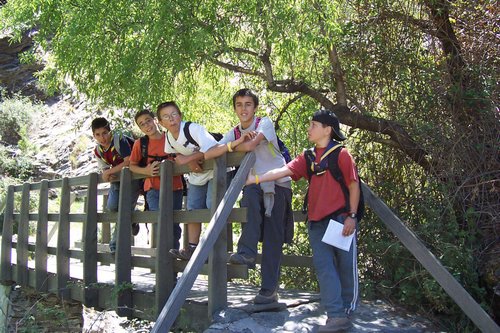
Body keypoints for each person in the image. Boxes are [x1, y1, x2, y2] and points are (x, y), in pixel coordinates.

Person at [245, 109, 360, 333]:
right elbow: (284, 170)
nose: (309, 128)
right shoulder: (308, 157)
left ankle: (348, 312)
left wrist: (352, 217)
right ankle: (335, 316)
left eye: (313, 125)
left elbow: (354, 185)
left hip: (340, 219)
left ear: (328, 130)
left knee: (345, 267)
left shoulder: (342, 155)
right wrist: (256, 178)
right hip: (316, 222)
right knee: (324, 268)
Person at [204, 88, 294, 305]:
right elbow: (209, 152)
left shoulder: (265, 123)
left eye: (247, 104)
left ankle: (268, 291)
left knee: (273, 238)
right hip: (253, 185)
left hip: (277, 185)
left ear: (255, 107)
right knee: (249, 199)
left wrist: (233, 147)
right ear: (234, 108)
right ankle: (247, 253)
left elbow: (253, 145)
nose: (243, 109)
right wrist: (234, 144)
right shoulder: (234, 132)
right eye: (239, 104)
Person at [155, 101, 218, 260]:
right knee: (192, 208)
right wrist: (189, 160)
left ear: (180, 115)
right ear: (161, 123)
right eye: (166, 117)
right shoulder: (169, 137)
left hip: (218, 169)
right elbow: (175, 154)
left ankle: (213, 248)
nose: (171, 119)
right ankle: (192, 248)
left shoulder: (193, 129)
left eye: (174, 114)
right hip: (198, 173)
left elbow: (212, 148)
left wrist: (189, 158)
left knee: (213, 205)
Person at [128, 109, 182, 250]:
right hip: (153, 189)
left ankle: (173, 265)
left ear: (155, 120)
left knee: (175, 226)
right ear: (140, 128)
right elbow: (132, 166)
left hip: (175, 187)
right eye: (142, 124)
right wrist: (146, 171)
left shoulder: (171, 137)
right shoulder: (140, 144)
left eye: (148, 121)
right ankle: (162, 262)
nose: (147, 125)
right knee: (160, 225)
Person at [91, 117, 141, 253]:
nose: (102, 137)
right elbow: (104, 169)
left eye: (105, 133)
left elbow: (128, 161)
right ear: (94, 135)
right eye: (98, 134)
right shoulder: (98, 150)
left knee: (124, 210)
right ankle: (135, 215)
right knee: (112, 207)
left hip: (134, 177)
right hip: (118, 180)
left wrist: (110, 172)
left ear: (110, 131)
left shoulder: (120, 141)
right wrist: (107, 174)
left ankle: (115, 247)